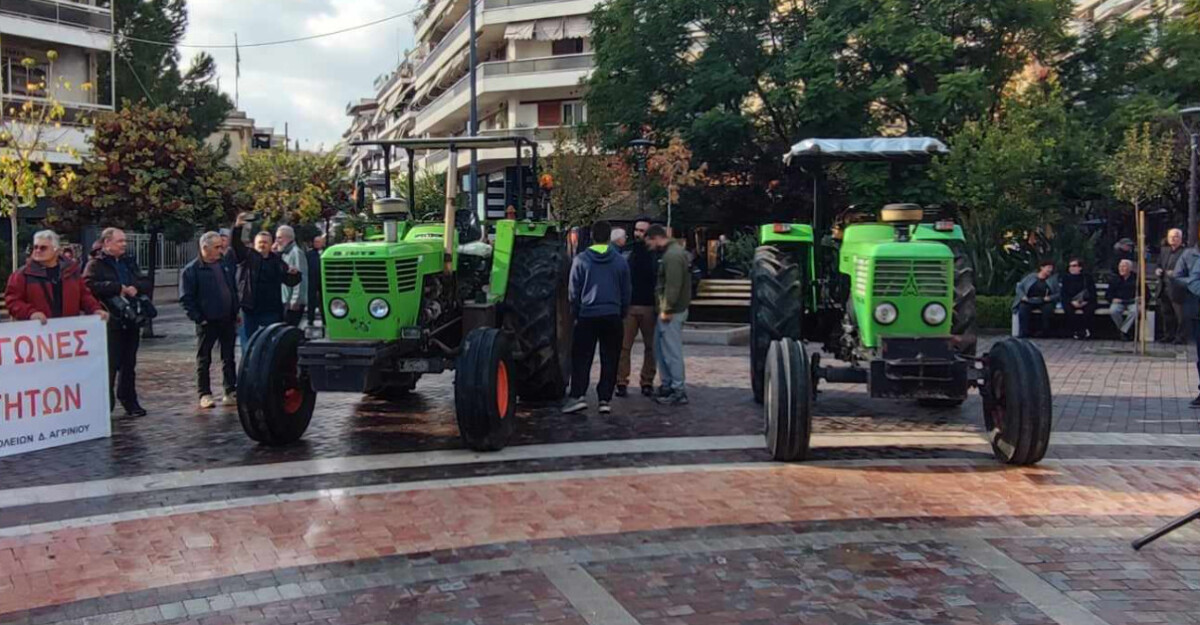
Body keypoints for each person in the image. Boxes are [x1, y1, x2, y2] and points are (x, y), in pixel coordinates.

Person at [563, 220, 631, 415]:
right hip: (612, 315)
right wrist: (622, 311)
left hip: (587, 315)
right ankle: (604, 400)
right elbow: (626, 290)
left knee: (582, 357)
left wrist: (576, 312)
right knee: (610, 357)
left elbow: (573, 291)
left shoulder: (581, 260)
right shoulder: (620, 261)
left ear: (592, 236)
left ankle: (578, 396)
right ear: (609, 237)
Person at [84, 227, 153, 417]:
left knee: (129, 364)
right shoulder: (96, 264)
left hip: (131, 317)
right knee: (111, 365)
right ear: (107, 243)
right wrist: (116, 288)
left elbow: (144, 282)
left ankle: (129, 401)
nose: (124, 244)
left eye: (124, 241)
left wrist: (135, 288)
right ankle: (106, 404)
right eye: (119, 241)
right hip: (110, 320)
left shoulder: (128, 262)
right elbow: (87, 286)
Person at [180, 232, 239, 409]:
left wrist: (235, 311)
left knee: (228, 357)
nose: (220, 251)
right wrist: (199, 318)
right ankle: (204, 393)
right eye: (217, 247)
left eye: (221, 247)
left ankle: (230, 390)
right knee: (204, 358)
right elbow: (186, 299)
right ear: (204, 248)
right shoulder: (192, 270)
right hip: (208, 321)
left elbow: (232, 289)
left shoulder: (223, 265)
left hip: (227, 319)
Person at [229, 215, 301, 353]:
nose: (262, 245)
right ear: (255, 244)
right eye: (260, 242)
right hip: (249, 308)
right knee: (248, 345)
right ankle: (249, 371)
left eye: (266, 242)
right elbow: (236, 244)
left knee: (272, 344)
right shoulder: (247, 257)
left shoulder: (277, 261)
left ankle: (269, 371)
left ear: (271, 244)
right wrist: (238, 227)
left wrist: (295, 275)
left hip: (271, 310)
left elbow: (289, 281)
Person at [5, 230, 108, 326]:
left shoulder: (71, 271)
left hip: (67, 330)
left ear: (56, 250)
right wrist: (31, 313)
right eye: (35, 247)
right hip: (36, 332)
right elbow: (12, 301)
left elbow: (84, 296)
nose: (37, 251)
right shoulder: (22, 274)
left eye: (43, 248)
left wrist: (95, 309)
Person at [646, 224, 691, 405]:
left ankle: (677, 389)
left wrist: (667, 309)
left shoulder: (672, 256)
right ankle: (669, 385)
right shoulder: (673, 253)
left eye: (648, 241)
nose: (648, 246)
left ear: (655, 237)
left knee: (671, 351)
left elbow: (672, 286)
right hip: (670, 310)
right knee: (662, 348)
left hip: (672, 311)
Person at [617, 218, 658, 398]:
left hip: (649, 306)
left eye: (642, 231)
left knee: (651, 348)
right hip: (630, 306)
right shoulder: (627, 253)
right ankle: (621, 382)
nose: (638, 234)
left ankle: (647, 382)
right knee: (624, 347)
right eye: (636, 230)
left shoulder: (656, 254)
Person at [1013, 260, 1060, 339]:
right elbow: (1019, 287)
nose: (1050, 270)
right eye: (1048, 267)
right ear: (1042, 268)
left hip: (1044, 301)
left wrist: (1050, 298)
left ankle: (1044, 332)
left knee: (1048, 310)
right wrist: (1023, 296)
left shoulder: (1053, 280)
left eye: (1051, 268)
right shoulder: (1031, 277)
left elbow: (1058, 293)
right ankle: (1023, 332)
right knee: (1023, 308)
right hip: (1029, 300)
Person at [1158, 229, 1187, 343]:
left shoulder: (1186, 252)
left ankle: (1181, 337)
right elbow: (1159, 263)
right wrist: (1158, 270)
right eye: (1170, 236)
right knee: (1166, 313)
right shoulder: (1164, 250)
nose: (1172, 239)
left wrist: (1175, 273)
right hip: (1164, 287)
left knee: (1180, 316)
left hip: (1177, 289)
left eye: (1175, 237)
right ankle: (1168, 335)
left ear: (1180, 238)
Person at [276, 225, 309, 326]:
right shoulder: (285, 253)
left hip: (292, 302)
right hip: (286, 299)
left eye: (279, 237)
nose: (277, 240)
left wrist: (296, 300)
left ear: (288, 238)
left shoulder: (296, 253)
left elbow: (301, 277)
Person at [1060, 258, 1096, 340]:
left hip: (1086, 301)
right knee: (1069, 310)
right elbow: (1064, 294)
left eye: (1074, 266)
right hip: (1071, 301)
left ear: (1080, 267)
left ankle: (1086, 330)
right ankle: (1076, 331)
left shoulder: (1087, 278)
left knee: (1089, 310)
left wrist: (1085, 302)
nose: (1071, 268)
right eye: (1070, 266)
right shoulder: (1066, 278)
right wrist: (1072, 302)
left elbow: (1092, 292)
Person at [1109, 259, 1140, 341]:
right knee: (1113, 311)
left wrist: (1140, 298)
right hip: (1119, 302)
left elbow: (1146, 294)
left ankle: (1122, 331)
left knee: (1135, 311)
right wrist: (1112, 299)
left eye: (1124, 266)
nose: (1121, 269)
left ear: (1130, 268)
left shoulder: (1137, 278)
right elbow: (1108, 294)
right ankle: (1124, 331)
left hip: (1132, 302)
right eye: (1120, 266)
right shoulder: (1115, 278)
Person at [306, 235, 325, 325]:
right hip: (312, 279)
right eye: (315, 242)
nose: (317, 244)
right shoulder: (309, 254)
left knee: (324, 300)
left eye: (319, 242)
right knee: (311, 300)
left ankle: (325, 319)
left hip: (323, 280)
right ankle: (310, 319)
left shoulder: (325, 253)